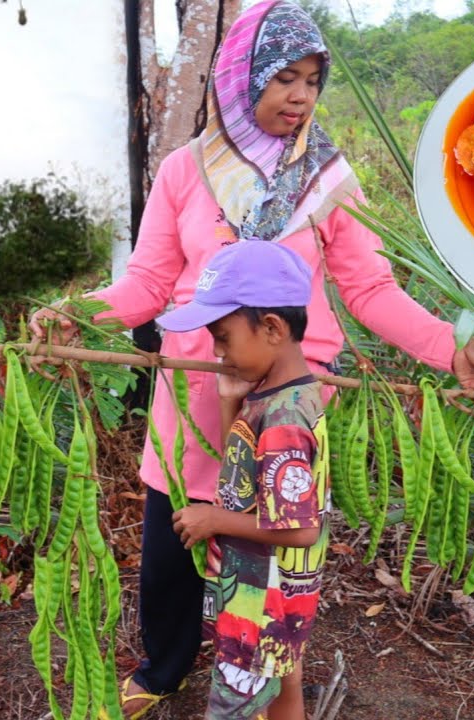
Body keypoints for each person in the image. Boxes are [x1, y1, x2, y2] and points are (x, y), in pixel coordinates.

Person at [31, 1, 474, 714]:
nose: (300, 97)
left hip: (287, 400)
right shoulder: (186, 171)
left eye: (313, 81)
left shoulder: (328, 181)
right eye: (284, 77)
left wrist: (449, 349)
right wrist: (76, 315)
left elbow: (370, 289)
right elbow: (151, 284)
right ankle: (164, 669)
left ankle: (266, 669)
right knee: (170, 545)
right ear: (238, 75)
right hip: (194, 393)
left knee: (271, 552)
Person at [161, 241, 331, 720]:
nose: (216, 351)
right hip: (278, 593)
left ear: (272, 328)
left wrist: (214, 518)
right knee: (283, 682)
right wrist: (230, 400)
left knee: (235, 703)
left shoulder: (282, 418)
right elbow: (246, 468)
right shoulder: (282, 394)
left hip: (260, 602)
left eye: (222, 337)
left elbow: (302, 527)